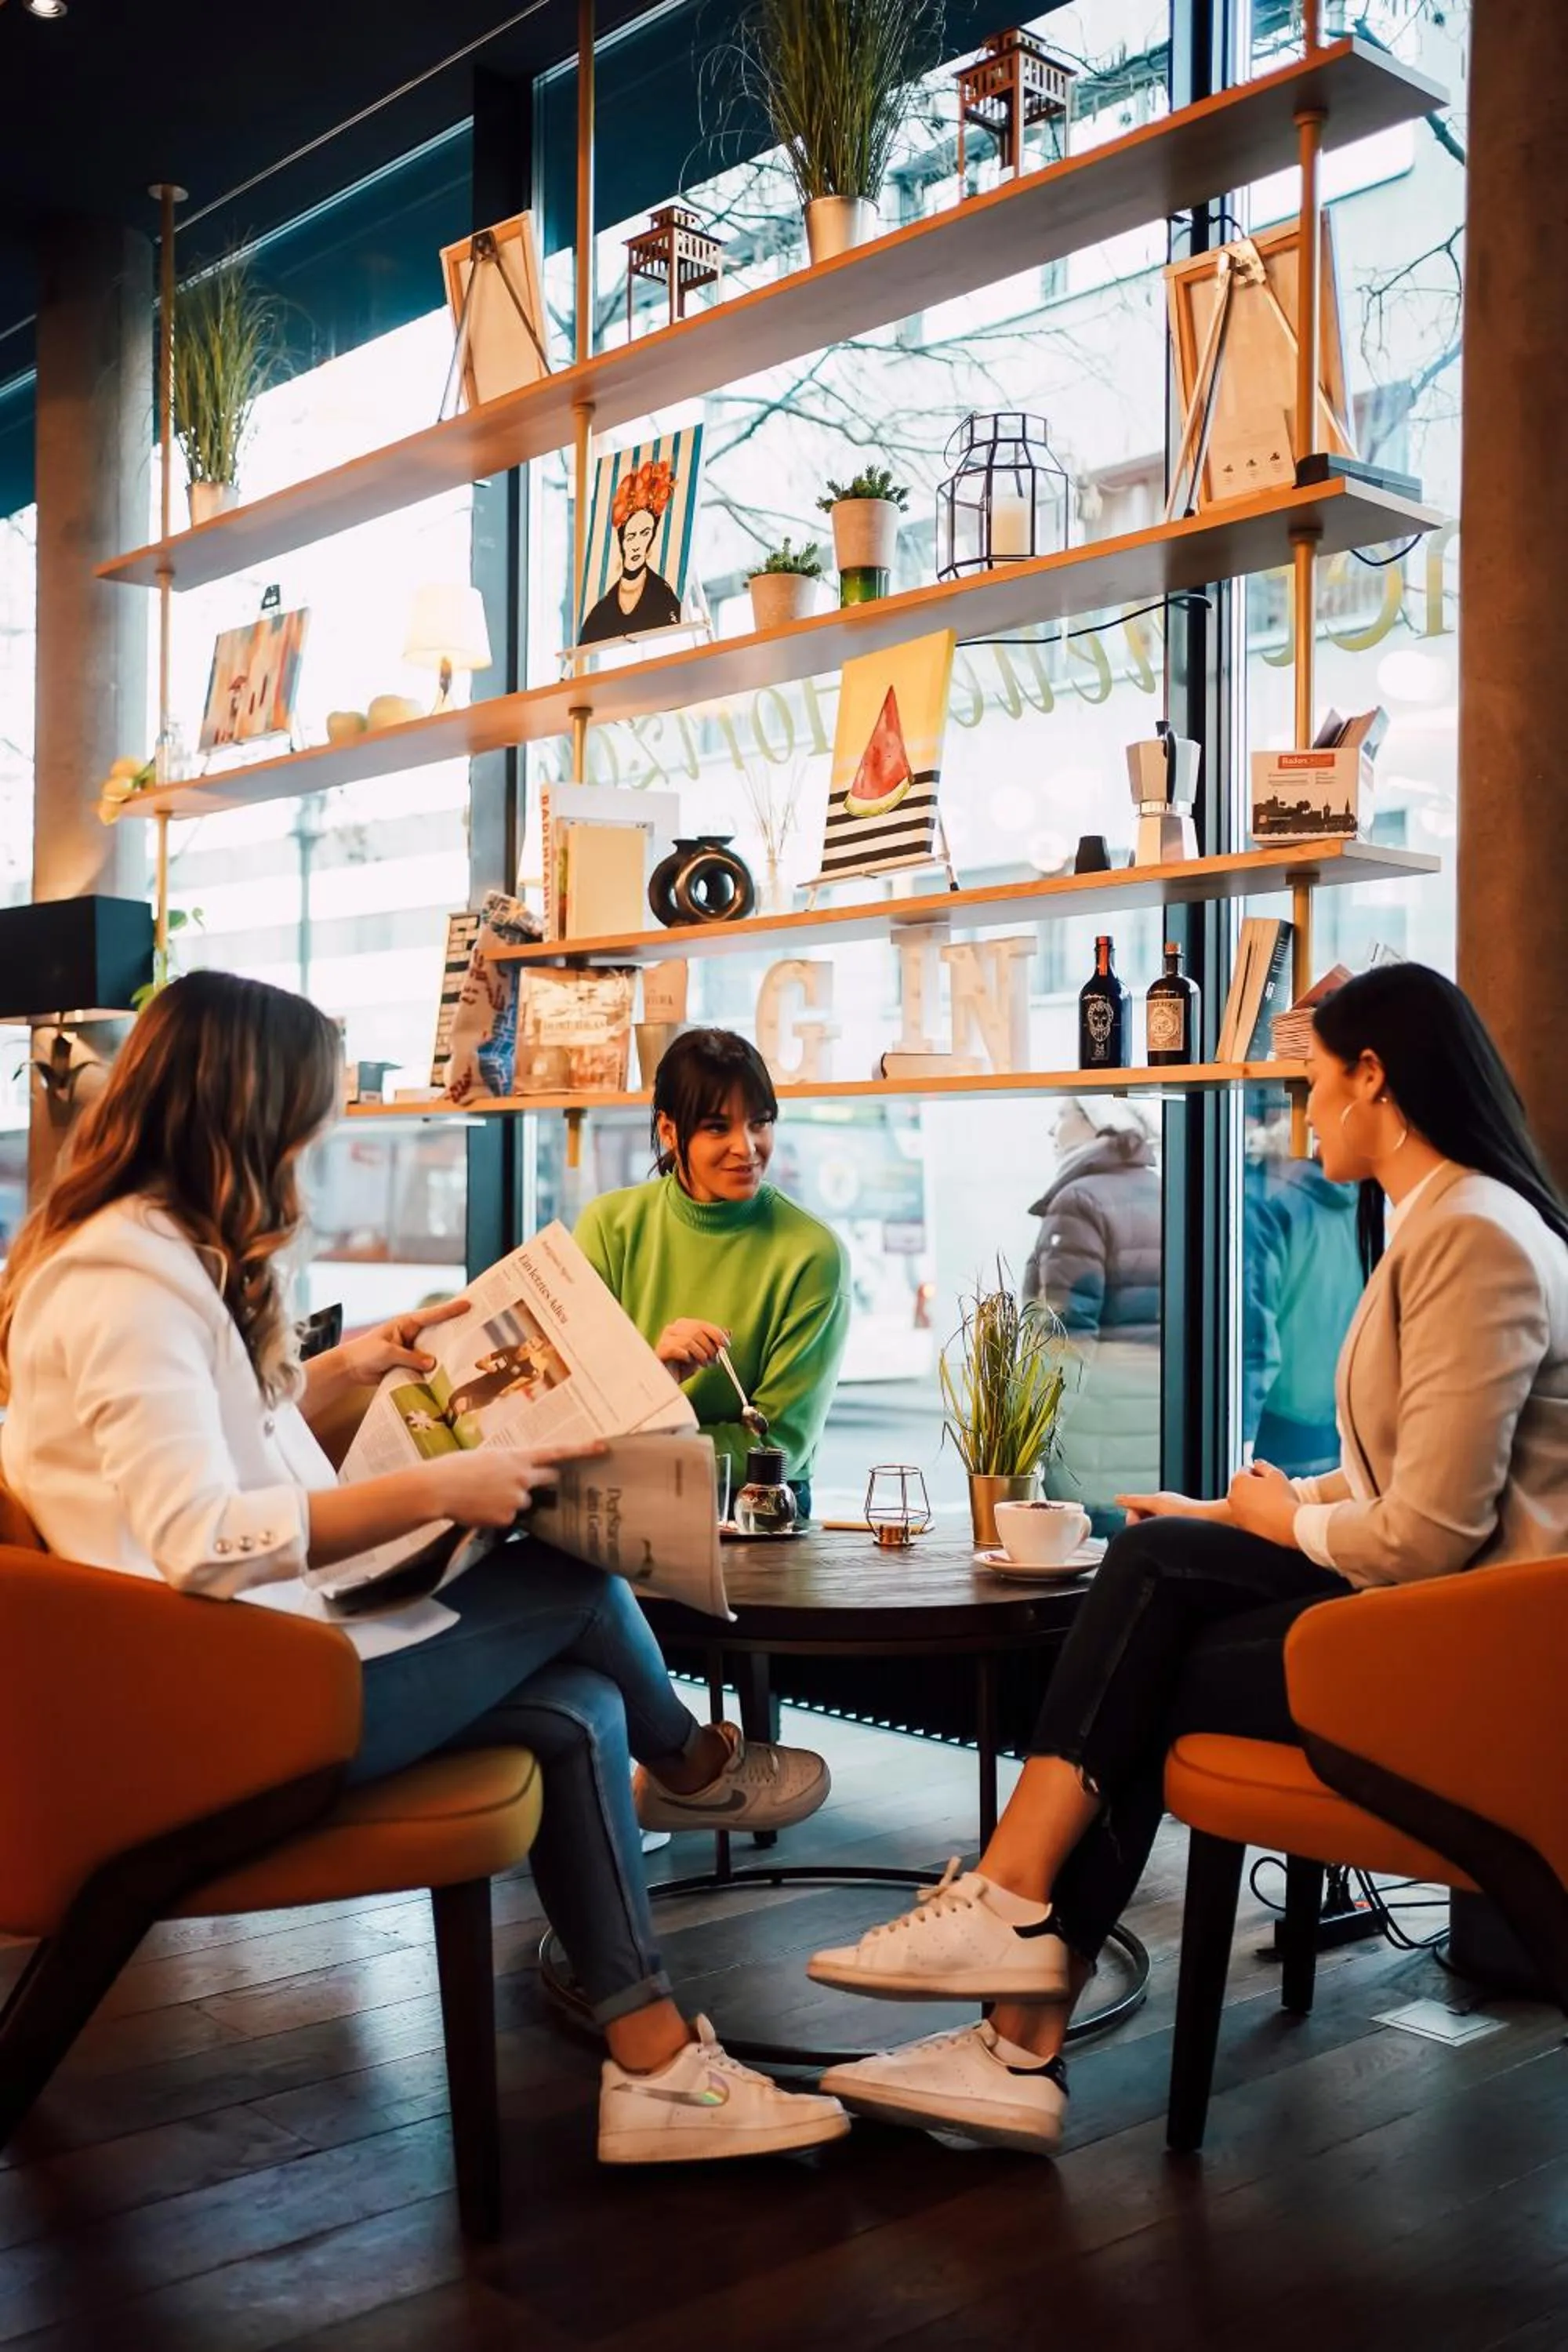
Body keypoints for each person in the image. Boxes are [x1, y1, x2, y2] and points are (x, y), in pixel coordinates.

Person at [0, 972, 848, 2166]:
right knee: (571, 1579)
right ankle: (695, 1764)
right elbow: (200, 1533)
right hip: (216, 1713)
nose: (319, 1142)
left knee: (574, 1706)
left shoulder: (141, 1255)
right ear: (244, 1110)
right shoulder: (123, 1284)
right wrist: (438, 1491)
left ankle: (653, 2059)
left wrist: (353, 1368)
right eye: (308, 1114)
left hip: (242, 1667)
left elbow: (224, 1445)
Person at [803, 963, 1568, 2154]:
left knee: (1155, 1635)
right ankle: (1011, 2007)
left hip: (1466, 1656)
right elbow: (1393, 1474)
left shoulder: (1475, 1235)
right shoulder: (1446, 1221)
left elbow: (1428, 1534)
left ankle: (1012, 1962)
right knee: (1161, 1564)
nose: (1302, 1109)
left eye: (1315, 1079)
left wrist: (1263, 1525)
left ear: (1376, 1076)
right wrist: (1231, 1508)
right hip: (1430, 1616)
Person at [574, 1027, 851, 1525]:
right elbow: (581, 1404)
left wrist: (640, 1442)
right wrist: (651, 1381)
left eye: (760, 1123)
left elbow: (776, 1445)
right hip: (625, 1489)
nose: (746, 1149)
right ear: (669, 1130)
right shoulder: (609, 1227)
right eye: (718, 1128)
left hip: (756, 1502)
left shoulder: (812, 1253)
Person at [1022, 1098, 1161, 1532]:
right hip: (1157, 1438)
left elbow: (1063, 1336)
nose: (1050, 1130)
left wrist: (1033, 1436)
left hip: (1096, 1445)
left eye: (1061, 1115)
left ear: (1097, 1121)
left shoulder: (1079, 1201)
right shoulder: (1163, 1190)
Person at [1243, 1091, 1363, 1477]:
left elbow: (1251, 1339)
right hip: (1339, 1427)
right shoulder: (1355, 1198)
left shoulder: (1262, 1203)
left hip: (1275, 1431)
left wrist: (1240, 1440)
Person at [579, 459, 685, 646]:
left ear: (653, 536)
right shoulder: (599, 614)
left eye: (645, 533)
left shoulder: (664, 598)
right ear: (621, 541)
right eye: (631, 536)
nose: (636, 544)